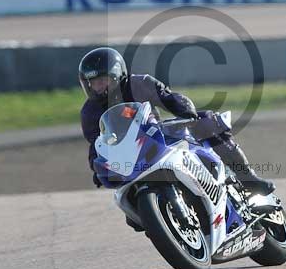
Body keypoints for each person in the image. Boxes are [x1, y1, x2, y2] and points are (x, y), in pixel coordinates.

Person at [78, 47, 275, 195]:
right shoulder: (89, 112)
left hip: (156, 136)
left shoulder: (139, 84)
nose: (98, 87)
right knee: (131, 214)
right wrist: (96, 168)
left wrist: (186, 112)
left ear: (116, 75)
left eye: (102, 80)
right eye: (93, 83)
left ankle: (247, 177)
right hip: (128, 157)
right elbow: (97, 143)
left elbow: (169, 98)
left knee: (206, 121)